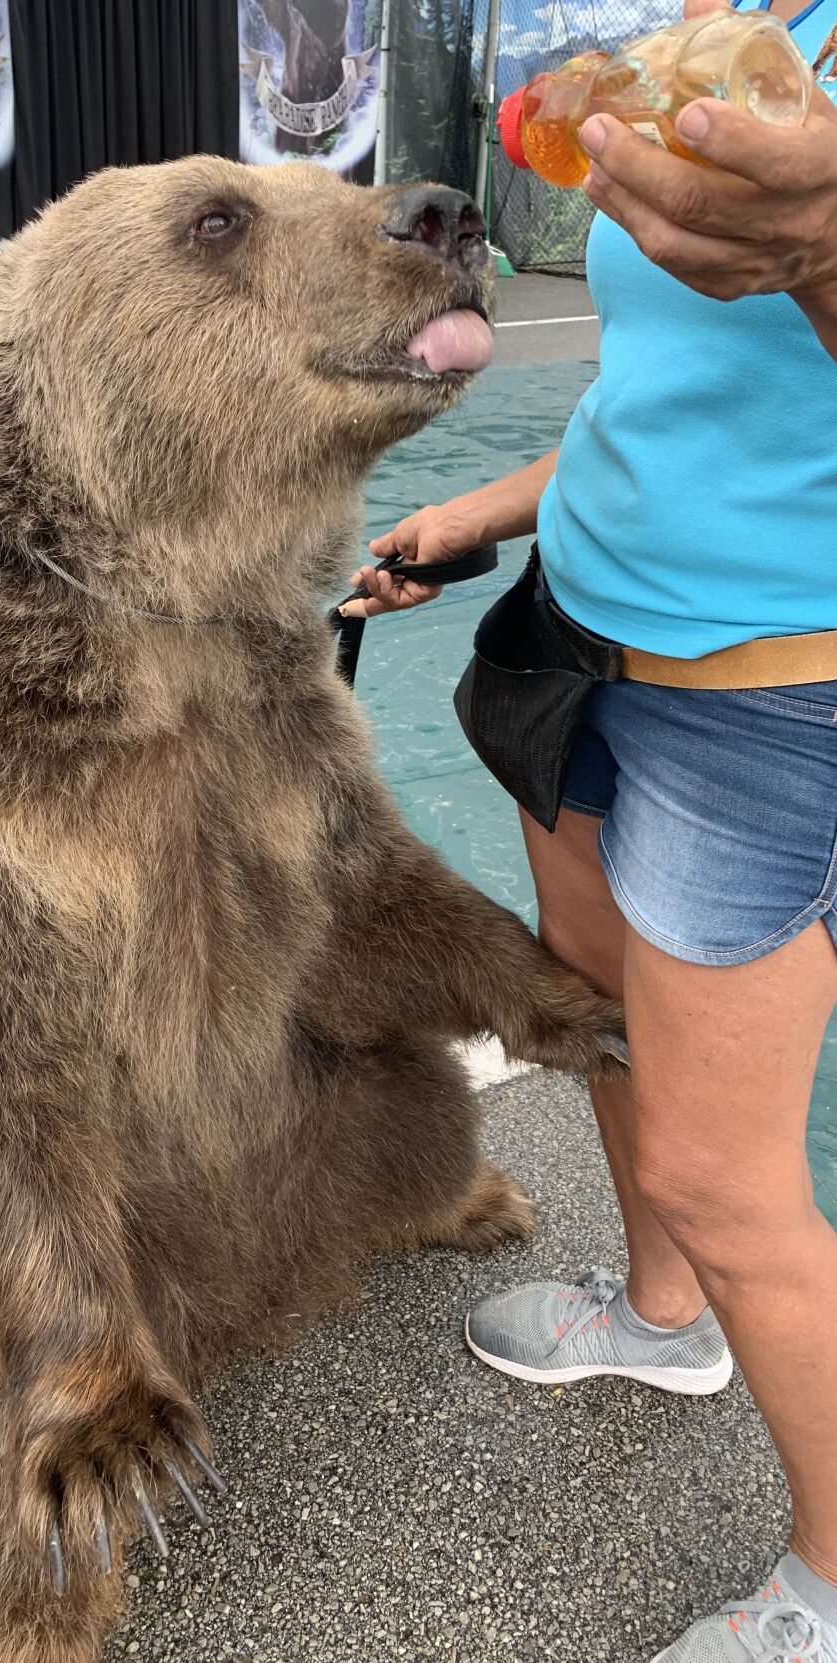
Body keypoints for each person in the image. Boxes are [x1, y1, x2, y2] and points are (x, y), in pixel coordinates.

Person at [351, 0, 837, 1656]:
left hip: (767, 693)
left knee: (726, 1168)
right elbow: (682, 400)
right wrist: (480, 511)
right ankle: (661, 1318)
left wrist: (831, 249)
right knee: (599, 1015)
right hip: (585, 634)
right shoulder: (731, 30)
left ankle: (835, 1582)